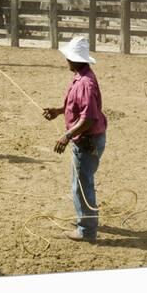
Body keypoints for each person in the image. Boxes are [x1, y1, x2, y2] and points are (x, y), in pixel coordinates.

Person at [43, 36, 107, 242]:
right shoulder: (81, 76)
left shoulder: (85, 83)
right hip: (87, 138)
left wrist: (66, 135)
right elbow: (78, 108)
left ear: (76, 59)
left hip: (87, 139)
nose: (66, 61)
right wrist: (59, 111)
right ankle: (86, 220)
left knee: (81, 184)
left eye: (69, 57)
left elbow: (88, 118)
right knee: (80, 181)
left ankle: (86, 230)